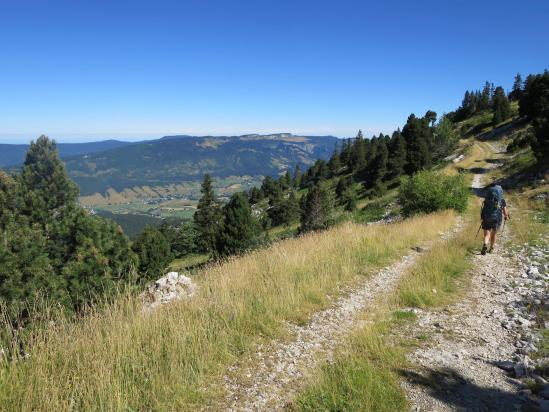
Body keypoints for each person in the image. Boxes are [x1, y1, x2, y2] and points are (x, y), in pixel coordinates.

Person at [480, 182, 509, 255]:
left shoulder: (487, 199)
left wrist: (482, 216)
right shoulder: (501, 199)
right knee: (493, 234)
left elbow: (483, 208)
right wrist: (506, 216)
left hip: (487, 217)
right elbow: (505, 211)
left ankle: (485, 244)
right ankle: (491, 248)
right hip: (497, 218)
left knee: (487, 234)